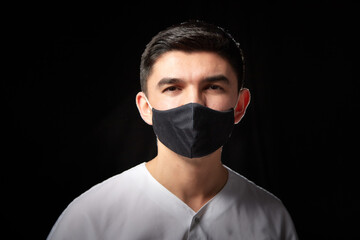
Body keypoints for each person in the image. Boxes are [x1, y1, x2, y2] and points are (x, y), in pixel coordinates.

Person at [47, 20, 298, 239]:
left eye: (212, 87)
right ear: (146, 108)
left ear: (240, 106)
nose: (194, 104)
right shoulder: (90, 217)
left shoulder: (272, 218)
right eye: (173, 88)